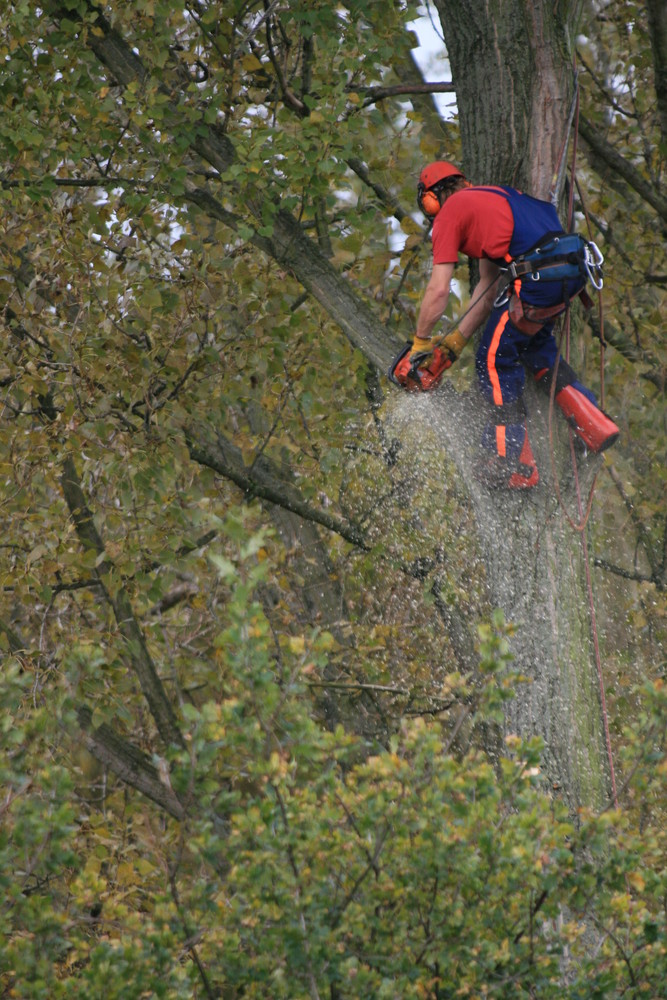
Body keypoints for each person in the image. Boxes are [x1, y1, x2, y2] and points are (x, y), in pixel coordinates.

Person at [409, 161, 619, 488]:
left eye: (426, 203)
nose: (429, 211)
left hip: (537, 276)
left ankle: (510, 462)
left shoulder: (451, 213)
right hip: (565, 275)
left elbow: (438, 290)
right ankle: (595, 423)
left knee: (493, 359)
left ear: (434, 197)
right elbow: (488, 289)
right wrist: (453, 345)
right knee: (535, 350)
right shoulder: (490, 201)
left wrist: (420, 343)